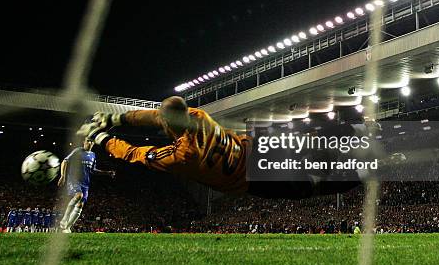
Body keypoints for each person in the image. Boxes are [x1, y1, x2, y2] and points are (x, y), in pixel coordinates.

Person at [79, 96, 363, 200]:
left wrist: (103, 139)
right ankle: (349, 135)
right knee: (308, 148)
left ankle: (357, 174)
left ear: (167, 127)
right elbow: (157, 115)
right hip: (258, 148)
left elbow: (135, 154)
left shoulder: (183, 156)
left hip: (250, 177)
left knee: (305, 188)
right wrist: (115, 118)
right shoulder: (198, 116)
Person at [57, 136, 115, 233]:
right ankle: (64, 219)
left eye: (91, 142)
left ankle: (67, 228)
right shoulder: (78, 151)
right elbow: (65, 161)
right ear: (83, 142)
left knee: (80, 205)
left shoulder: (93, 155)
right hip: (74, 180)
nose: (89, 143)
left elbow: (93, 170)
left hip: (85, 183)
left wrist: (107, 173)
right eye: (88, 141)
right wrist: (63, 176)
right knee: (79, 195)